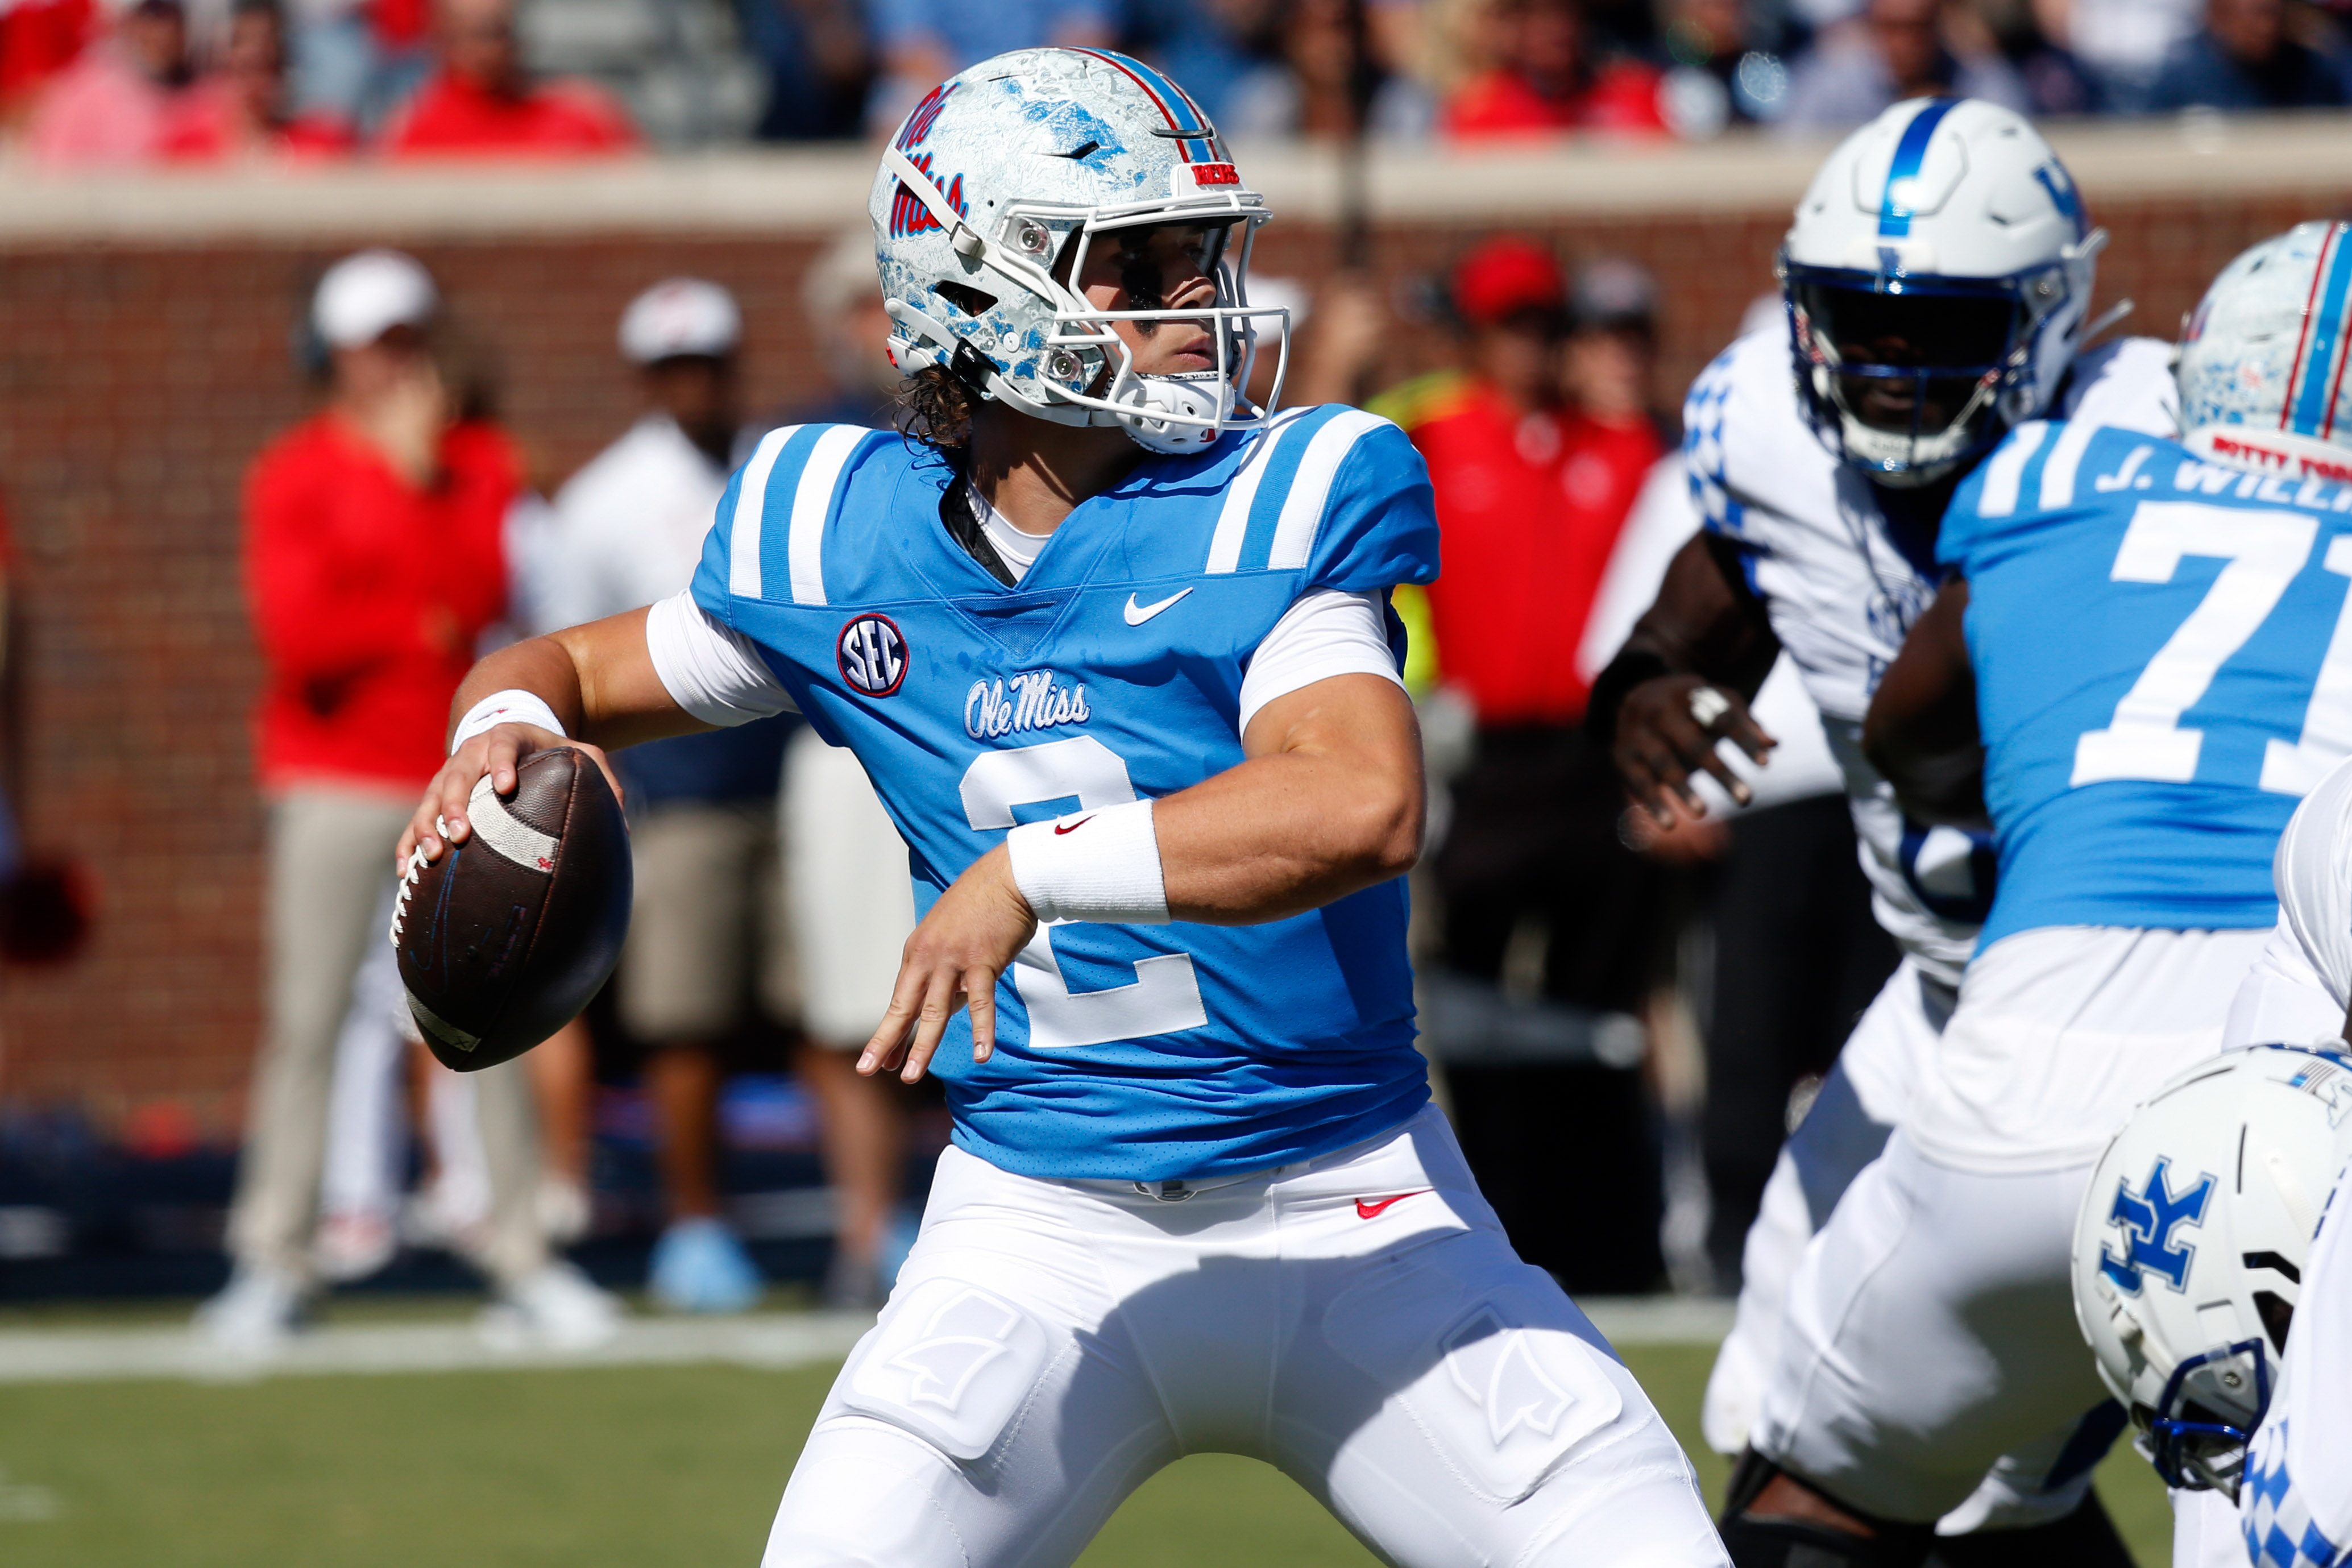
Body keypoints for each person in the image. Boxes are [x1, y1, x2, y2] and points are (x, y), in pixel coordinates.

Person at [400, 48, 1730, 1568]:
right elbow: (569, 663)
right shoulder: (847, 533)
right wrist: (497, 724)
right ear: (979, 284)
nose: (1199, 302)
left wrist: (1039, 867)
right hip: (1036, 1227)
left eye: (1201, 254)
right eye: (1143, 264)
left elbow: (1360, 800)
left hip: (1350, 1202)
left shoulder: (1279, 491)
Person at [1587, 96, 2170, 1551]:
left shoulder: (2151, 429)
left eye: (1940, 329)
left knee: (1976, 1451)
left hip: (2131, 993)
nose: (1893, 367)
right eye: (1860, 320)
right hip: (1940, 989)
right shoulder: (1766, 426)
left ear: (2049, 317)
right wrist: (1652, 688)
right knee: (1800, 1412)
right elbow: (1717, 591)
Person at [1778, 218, 2352, 1568]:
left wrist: (2048, 802)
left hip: (2018, 1073)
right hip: (2291, 1120)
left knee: (1822, 1486)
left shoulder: (2058, 472)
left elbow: (1909, 728)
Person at [199, 249, 616, 1357]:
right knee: (306, 1019)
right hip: (333, 777)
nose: (400, 362)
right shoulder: (293, 472)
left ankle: (521, 1249)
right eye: (377, 343)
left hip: (453, 769)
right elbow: (300, 639)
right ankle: (272, 1255)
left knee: (498, 1008)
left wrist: (413, 509)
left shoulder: (473, 464)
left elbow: (476, 599)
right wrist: (411, 595)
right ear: (333, 358)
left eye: (409, 337)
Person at [1375, 237, 1672, 1292]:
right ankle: (1498, 1228)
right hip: (1486, 766)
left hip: (1596, 761)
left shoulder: (1625, 443)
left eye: (1545, 324)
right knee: (1474, 1003)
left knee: (1604, 1009)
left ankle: (1612, 1237)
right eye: (1509, 326)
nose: (1529, 347)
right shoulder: (1431, 437)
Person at [530, 277, 794, 1314]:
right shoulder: (603, 499)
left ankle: (872, 1220)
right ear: (646, 379)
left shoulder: (776, 467)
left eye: (710, 362)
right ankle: (695, 1224)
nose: (697, 384)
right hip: (677, 792)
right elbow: (566, 656)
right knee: (686, 1020)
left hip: (794, 771)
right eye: (675, 368)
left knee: (826, 1013)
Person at [773, 229, 922, 1310]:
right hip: (845, 739)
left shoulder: (986, 431)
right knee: (848, 1010)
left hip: (971, 736)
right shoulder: (813, 449)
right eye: (870, 311)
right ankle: (865, 1230)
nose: (890, 332)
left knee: (985, 995)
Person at [380, 0, 637, 158]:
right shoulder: (414, 131)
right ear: (442, 38)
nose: (489, 48)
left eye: (499, 31)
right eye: (477, 33)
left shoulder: (581, 115)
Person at [1774, 0, 2030, 131]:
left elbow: (2016, 145)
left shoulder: (1981, 78)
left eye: (1918, 26)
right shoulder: (1833, 82)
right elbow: (1786, 156)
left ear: (1939, 23)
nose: (1905, 43)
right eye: (1892, 27)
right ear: (1871, 24)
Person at [1442, 0, 1672, 135]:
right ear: (1513, 26)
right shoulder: (1479, 111)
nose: (1557, 30)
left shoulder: (1637, 93)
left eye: (1566, 11)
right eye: (1538, 15)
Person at [165, 0, 355, 160]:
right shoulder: (188, 149)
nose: (256, 83)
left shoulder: (322, 144)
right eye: (245, 69)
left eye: (267, 68)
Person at [26, 0, 196, 165]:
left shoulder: (192, 96)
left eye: (167, 43)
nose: (160, 48)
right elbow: (52, 161)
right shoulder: (86, 90)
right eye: (150, 40)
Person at [2146, 0, 2348, 110]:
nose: (2265, 28)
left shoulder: (2314, 72)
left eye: (2272, 14)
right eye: (2256, 15)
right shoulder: (2182, 81)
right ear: (2221, 16)